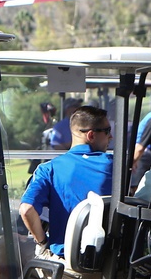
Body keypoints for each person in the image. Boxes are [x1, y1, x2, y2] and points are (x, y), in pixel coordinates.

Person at [19, 106, 113, 259]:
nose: (111, 137)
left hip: (66, 266)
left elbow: (27, 209)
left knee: (6, 248)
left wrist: (43, 243)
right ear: (91, 135)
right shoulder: (116, 167)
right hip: (111, 266)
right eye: (107, 131)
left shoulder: (48, 169)